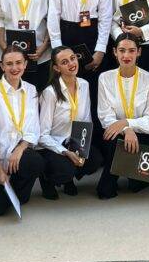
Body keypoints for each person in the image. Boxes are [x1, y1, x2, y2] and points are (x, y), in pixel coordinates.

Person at [0, 46, 45, 217]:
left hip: (15, 155)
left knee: (36, 162)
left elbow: (33, 129)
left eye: (19, 63)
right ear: (2, 66)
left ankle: (13, 190)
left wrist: (20, 149)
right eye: (9, 64)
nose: (14, 68)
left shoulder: (31, 90)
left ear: (25, 64)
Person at [96, 33, 149, 199]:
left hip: (143, 136)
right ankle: (110, 181)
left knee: (136, 186)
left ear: (139, 52)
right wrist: (126, 129)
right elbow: (105, 116)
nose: (126, 55)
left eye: (131, 51)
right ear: (114, 52)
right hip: (116, 134)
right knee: (104, 191)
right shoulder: (105, 78)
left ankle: (134, 176)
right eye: (122, 50)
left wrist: (126, 123)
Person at [38, 46, 102, 199]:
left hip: (74, 140)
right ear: (56, 68)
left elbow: (86, 120)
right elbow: (42, 135)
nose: (71, 63)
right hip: (52, 145)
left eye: (73, 58)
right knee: (65, 168)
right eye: (64, 62)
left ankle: (68, 179)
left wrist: (82, 149)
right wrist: (66, 152)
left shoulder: (84, 85)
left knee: (95, 159)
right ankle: (48, 179)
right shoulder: (50, 92)